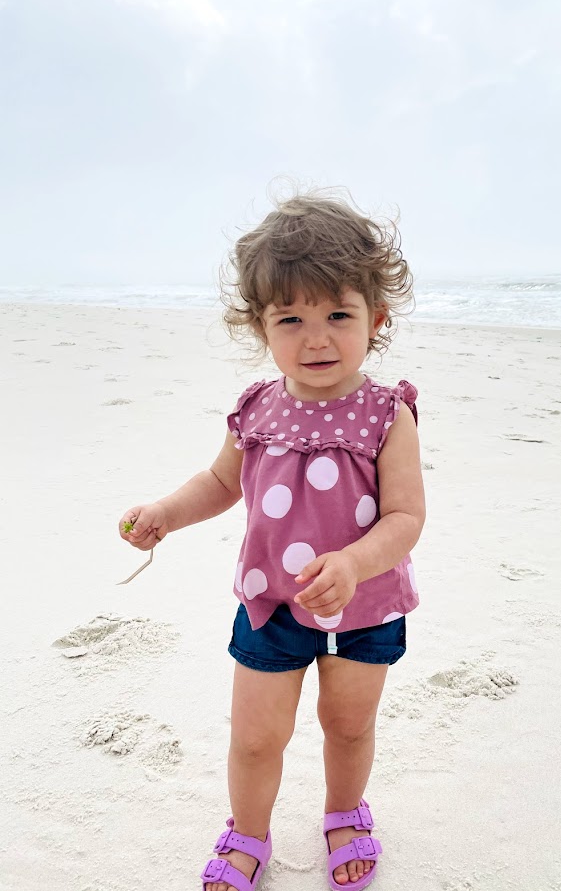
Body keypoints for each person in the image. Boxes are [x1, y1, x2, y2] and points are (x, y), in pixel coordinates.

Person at [119, 190, 425, 891]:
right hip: (270, 605)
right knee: (256, 735)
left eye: (337, 316)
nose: (316, 338)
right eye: (291, 318)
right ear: (260, 326)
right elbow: (220, 482)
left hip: (365, 606)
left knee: (347, 726)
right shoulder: (256, 409)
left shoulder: (386, 414)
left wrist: (352, 561)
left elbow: (406, 516)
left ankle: (345, 812)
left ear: (375, 320)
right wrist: (166, 510)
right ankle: (248, 829)